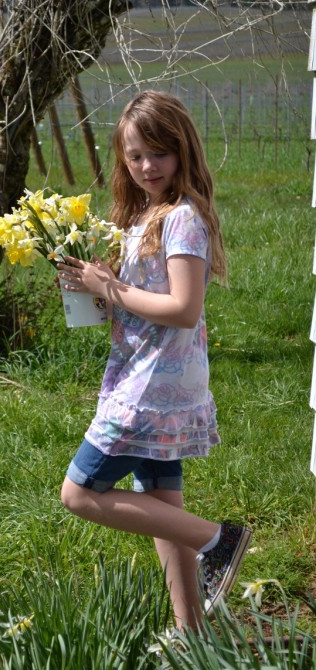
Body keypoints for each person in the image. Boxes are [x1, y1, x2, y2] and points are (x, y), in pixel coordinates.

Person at [58, 90, 251, 630]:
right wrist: (91, 287)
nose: (146, 166)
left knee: (78, 493)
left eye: (159, 154)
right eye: (135, 155)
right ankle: (194, 637)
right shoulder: (144, 213)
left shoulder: (182, 217)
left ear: (183, 150)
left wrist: (112, 288)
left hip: (150, 389)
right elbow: (144, 298)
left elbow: (184, 309)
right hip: (148, 375)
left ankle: (219, 539)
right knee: (163, 507)